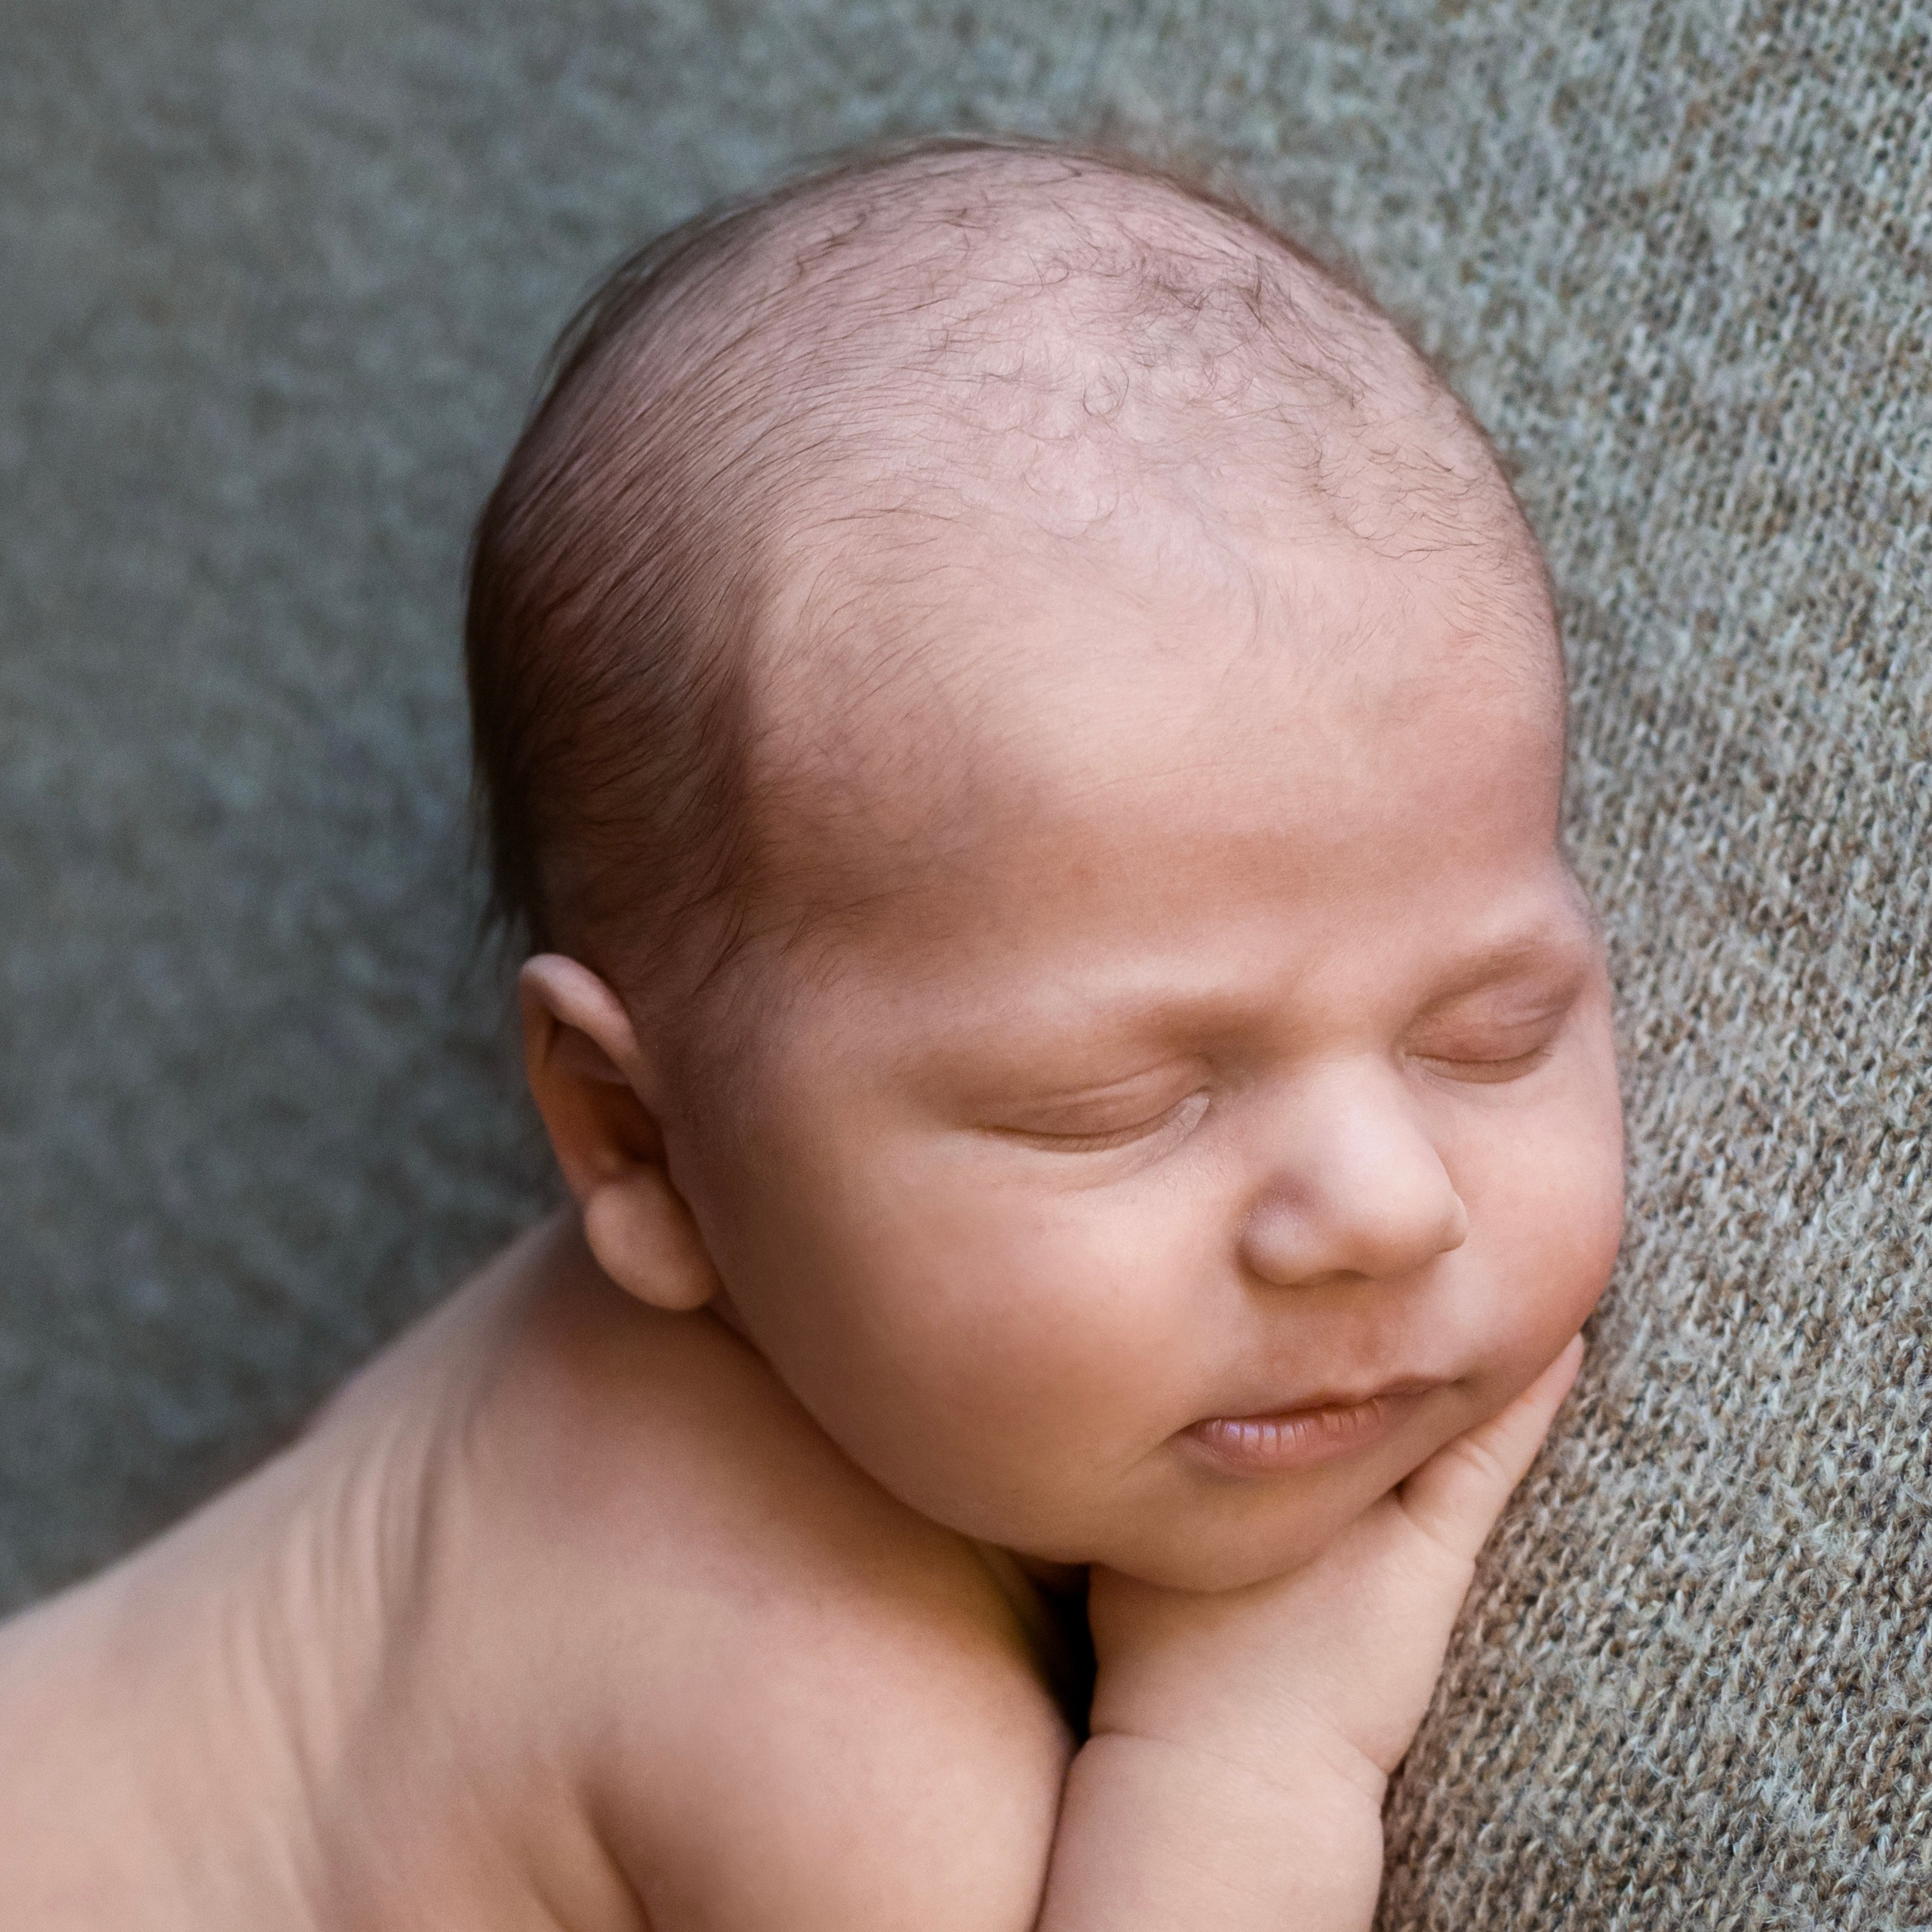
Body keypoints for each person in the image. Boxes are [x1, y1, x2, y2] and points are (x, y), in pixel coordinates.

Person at [0, 135, 1625, 1929]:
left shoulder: (648, 1375)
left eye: (1489, 1029)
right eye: (1110, 1104)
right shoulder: (779, 1668)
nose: (1389, 1207)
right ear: (634, 1138)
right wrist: (1247, 1745)